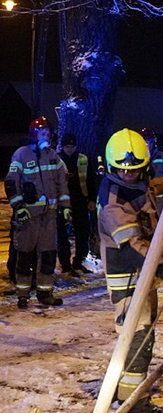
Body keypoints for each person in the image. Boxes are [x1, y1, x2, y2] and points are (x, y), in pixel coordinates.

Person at [98, 128, 163, 413]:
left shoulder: (135, 184)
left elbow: (149, 189)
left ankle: (119, 389)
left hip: (142, 273)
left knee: (138, 334)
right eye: (123, 170)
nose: (129, 174)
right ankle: (131, 399)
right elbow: (132, 246)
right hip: (129, 276)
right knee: (139, 336)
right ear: (112, 167)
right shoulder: (113, 202)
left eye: (135, 170)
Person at [4, 117, 70, 309]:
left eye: (48, 133)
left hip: (49, 217)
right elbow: (11, 182)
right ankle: (23, 294)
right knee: (24, 255)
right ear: (34, 134)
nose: (47, 136)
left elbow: (62, 184)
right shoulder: (21, 155)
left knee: (48, 255)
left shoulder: (53, 156)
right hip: (28, 218)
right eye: (43, 133)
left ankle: (45, 293)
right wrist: (19, 206)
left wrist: (66, 207)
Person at [56, 133, 94, 274]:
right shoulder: (57, 159)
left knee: (82, 233)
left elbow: (90, 180)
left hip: (80, 200)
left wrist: (91, 199)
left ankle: (78, 262)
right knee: (62, 235)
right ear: (63, 146)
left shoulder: (83, 159)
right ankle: (65, 264)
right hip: (62, 202)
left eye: (72, 146)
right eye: (67, 146)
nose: (70, 149)